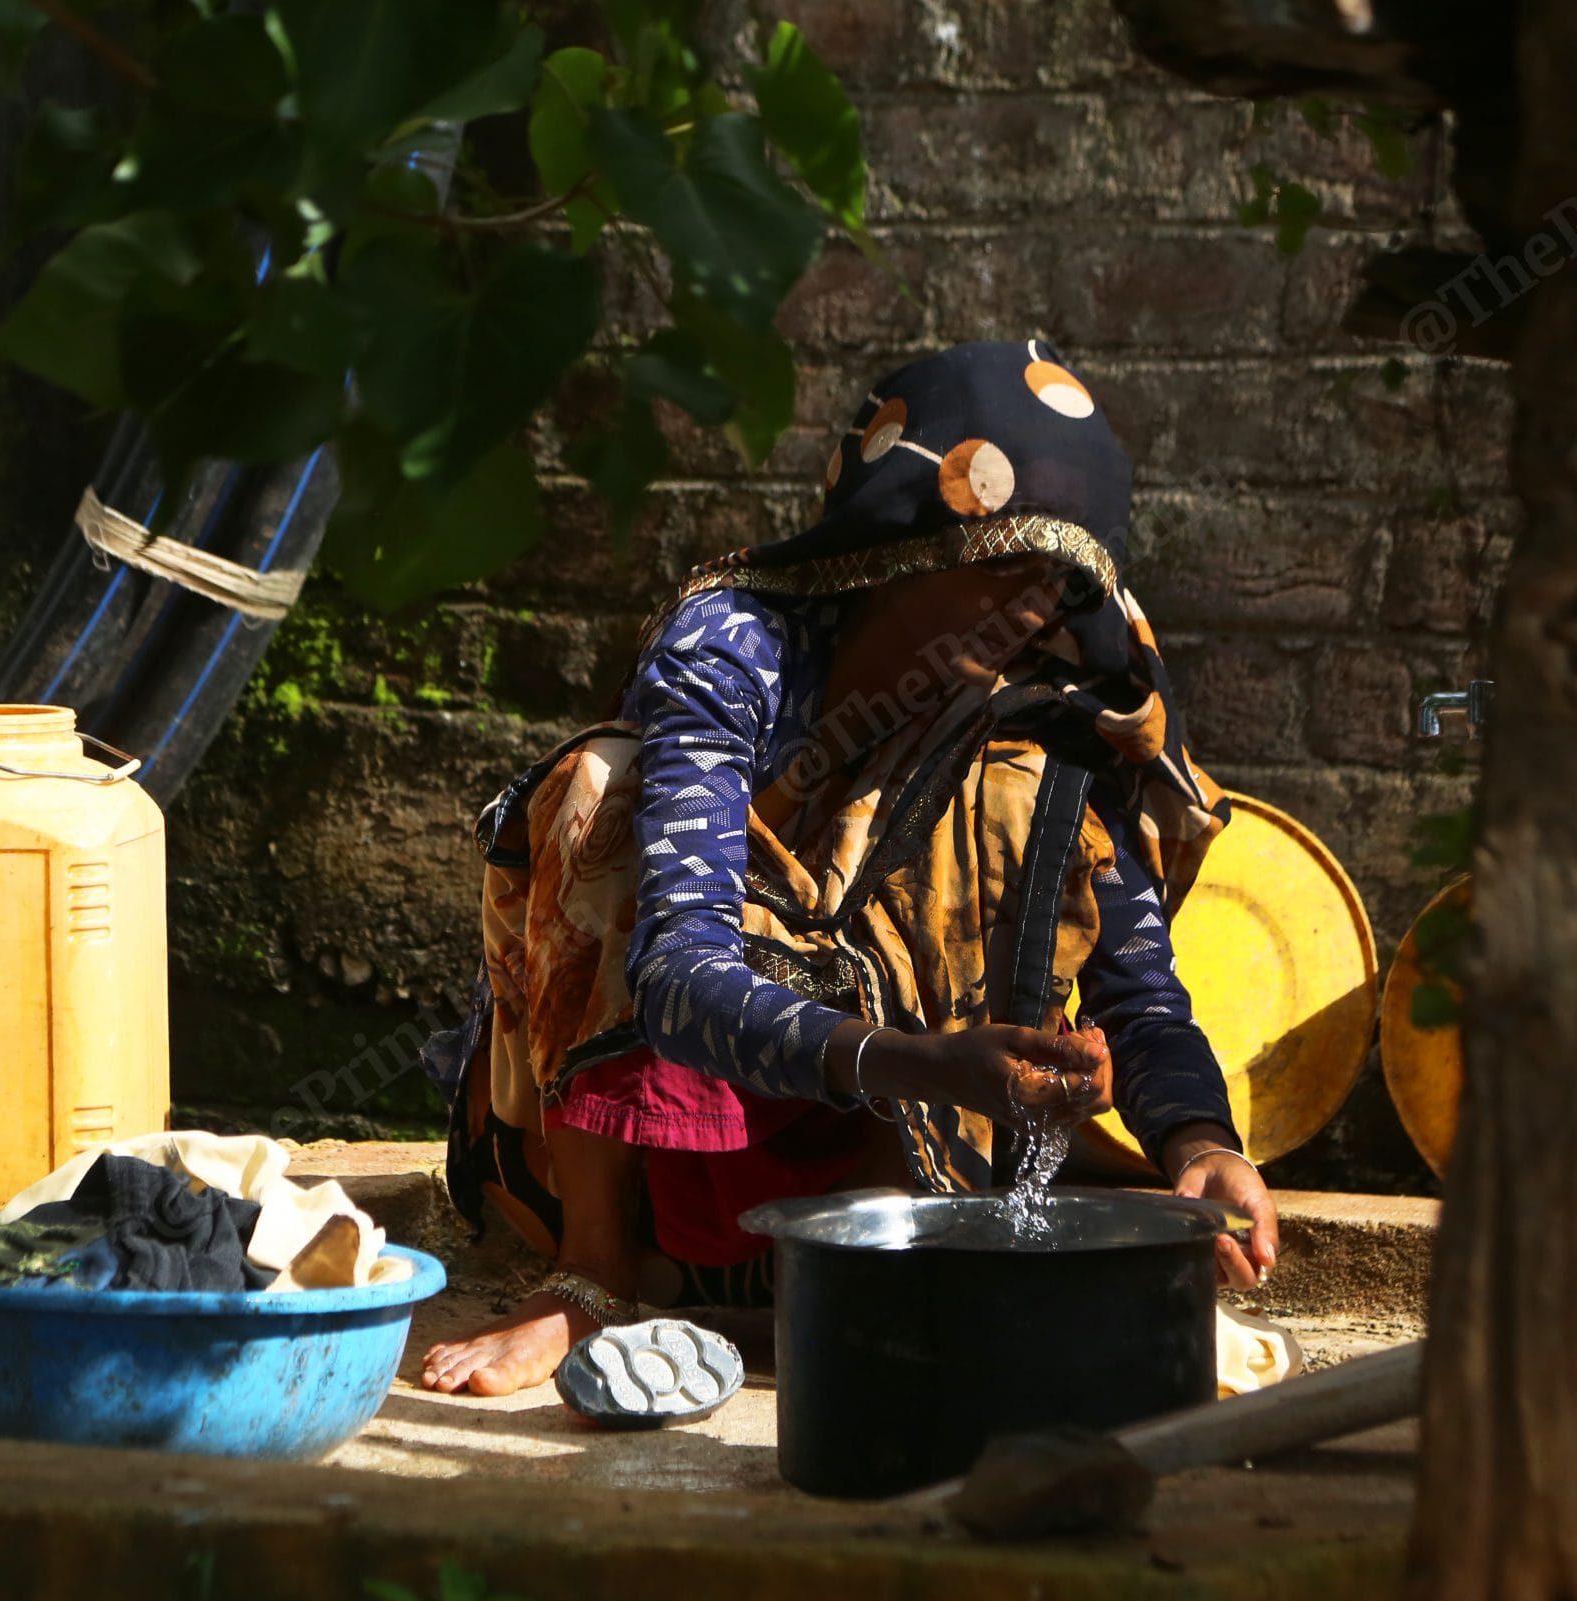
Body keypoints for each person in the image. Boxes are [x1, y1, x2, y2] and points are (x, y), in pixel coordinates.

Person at [421, 340, 1279, 1398]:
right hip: (705, 1136)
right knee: (600, 789)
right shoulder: (736, 648)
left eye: (1055, 590)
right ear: (903, 551)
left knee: (1018, 792)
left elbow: (1140, 995)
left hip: (896, 1169)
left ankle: (892, 1252)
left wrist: (1201, 1139)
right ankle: (592, 1273)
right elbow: (676, 973)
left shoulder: (1041, 719)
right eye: (1001, 566)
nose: (1027, 614)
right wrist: (924, 1063)